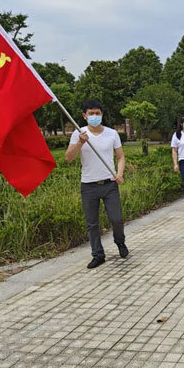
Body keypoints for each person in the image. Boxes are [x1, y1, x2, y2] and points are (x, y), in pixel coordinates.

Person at [66, 100, 129, 269]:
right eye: (91, 113)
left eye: (97, 113)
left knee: (116, 219)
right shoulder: (79, 133)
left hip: (109, 184)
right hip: (88, 185)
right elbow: (68, 158)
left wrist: (120, 173)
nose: (94, 116)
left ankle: (120, 242)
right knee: (92, 223)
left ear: (102, 115)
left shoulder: (112, 133)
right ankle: (98, 254)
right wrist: (80, 142)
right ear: (84, 116)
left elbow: (121, 156)